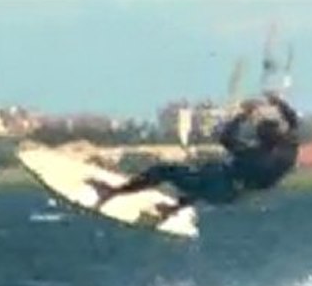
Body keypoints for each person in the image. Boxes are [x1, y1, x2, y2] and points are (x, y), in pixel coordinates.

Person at [87, 92, 300, 217]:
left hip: (221, 188)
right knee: (210, 170)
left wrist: (242, 115)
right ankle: (173, 208)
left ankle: (112, 192)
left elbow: (226, 139)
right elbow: (293, 122)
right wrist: (278, 102)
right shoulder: (289, 148)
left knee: (166, 170)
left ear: (263, 140)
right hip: (235, 192)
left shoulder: (255, 158)